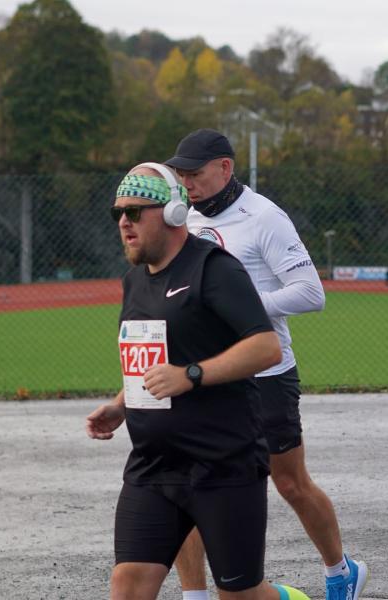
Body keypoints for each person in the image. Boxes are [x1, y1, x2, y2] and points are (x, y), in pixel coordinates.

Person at [85, 162, 310, 600]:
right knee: (127, 584)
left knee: (239, 594)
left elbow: (267, 347)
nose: (124, 223)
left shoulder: (215, 269)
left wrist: (192, 375)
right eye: (118, 215)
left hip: (222, 464)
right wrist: (121, 404)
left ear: (172, 213)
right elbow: (154, 360)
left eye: (135, 212)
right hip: (154, 466)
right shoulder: (134, 281)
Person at [164, 129, 369, 600]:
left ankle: (341, 572)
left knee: (290, 483)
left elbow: (311, 293)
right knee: (183, 485)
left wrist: (239, 304)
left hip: (264, 376)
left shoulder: (264, 218)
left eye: (195, 173)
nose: (187, 183)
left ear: (225, 168)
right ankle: (194, 595)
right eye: (182, 174)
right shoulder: (183, 218)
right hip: (201, 375)